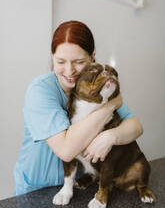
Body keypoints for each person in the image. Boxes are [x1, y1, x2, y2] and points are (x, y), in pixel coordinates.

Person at [14, 20, 143, 196]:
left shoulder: (98, 85)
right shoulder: (41, 91)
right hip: (38, 190)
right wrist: (111, 105)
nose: (69, 70)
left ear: (92, 57)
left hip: (81, 187)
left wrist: (112, 136)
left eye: (79, 61)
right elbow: (67, 151)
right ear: (52, 57)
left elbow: (135, 126)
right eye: (60, 61)